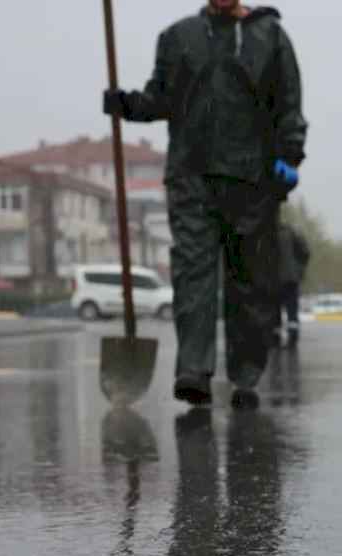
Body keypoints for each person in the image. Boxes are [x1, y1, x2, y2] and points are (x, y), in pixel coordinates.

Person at [103, 0, 307, 409]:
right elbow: (160, 100)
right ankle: (193, 370)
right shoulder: (178, 37)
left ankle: (245, 374)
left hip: (252, 180)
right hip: (191, 177)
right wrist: (127, 105)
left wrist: (290, 154)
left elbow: (288, 103)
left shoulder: (270, 38)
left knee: (249, 279)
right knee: (193, 272)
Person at [274, 222, 310, 348]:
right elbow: (305, 251)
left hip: (274, 278)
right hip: (291, 278)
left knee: (274, 309)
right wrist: (299, 270)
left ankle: (275, 338)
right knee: (292, 309)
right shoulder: (291, 232)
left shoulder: (267, 233)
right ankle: (293, 338)